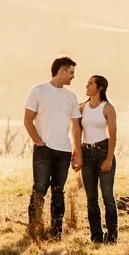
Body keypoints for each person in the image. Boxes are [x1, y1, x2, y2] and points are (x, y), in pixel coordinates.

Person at [23, 56, 82, 240]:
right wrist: (38, 141)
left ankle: (56, 231)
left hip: (63, 151)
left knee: (59, 190)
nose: (73, 77)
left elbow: (75, 127)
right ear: (62, 70)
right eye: (71, 72)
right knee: (40, 188)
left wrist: (76, 152)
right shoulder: (38, 91)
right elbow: (27, 120)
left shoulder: (71, 97)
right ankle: (34, 228)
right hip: (44, 149)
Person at [79, 74, 118, 244]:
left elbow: (113, 135)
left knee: (107, 196)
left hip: (103, 151)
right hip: (86, 153)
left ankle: (112, 236)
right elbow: (77, 132)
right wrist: (77, 154)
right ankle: (96, 236)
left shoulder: (108, 108)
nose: (86, 86)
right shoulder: (82, 108)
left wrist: (109, 158)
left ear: (99, 88)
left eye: (90, 84)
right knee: (91, 197)